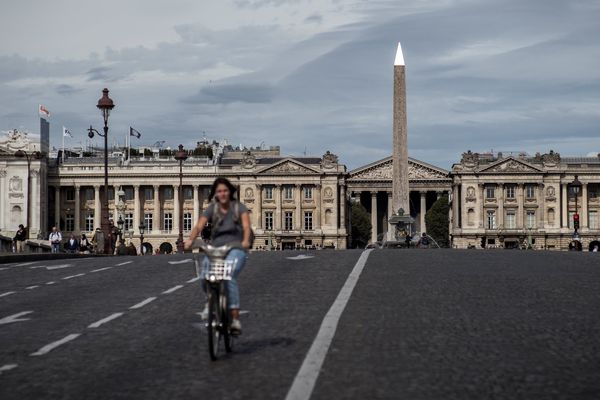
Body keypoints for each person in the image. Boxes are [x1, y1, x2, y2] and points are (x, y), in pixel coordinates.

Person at [184, 177, 251, 335]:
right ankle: (210, 300)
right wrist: (190, 239)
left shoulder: (238, 208)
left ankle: (234, 318)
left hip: (235, 247)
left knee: (229, 276)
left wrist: (246, 241)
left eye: (225, 190)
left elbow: (246, 227)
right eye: (219, 191)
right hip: (216, 248)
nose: (222, 194)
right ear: (215, 193)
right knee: (204, 274)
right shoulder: (212, 209)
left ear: (230, 192)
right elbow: (199, 225)